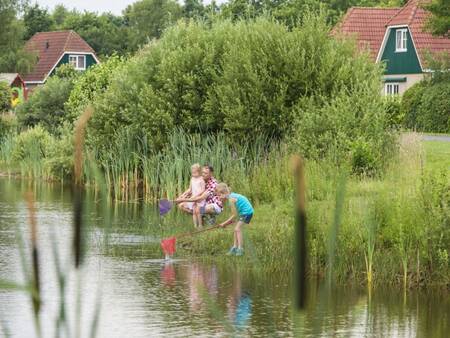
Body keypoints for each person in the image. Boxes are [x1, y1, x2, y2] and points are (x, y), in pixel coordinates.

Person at [215, 183, 254, 256]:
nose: (219, 198)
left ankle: (240, 249)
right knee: (235, 229)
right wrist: (229, 222)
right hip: (242, 212)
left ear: (224, 193)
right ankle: (234, 247)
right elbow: (235, 215)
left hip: (247, 212)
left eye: (219, 195)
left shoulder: (231, 199)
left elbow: (234, 215)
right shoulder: (231, 196)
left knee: (237, 229)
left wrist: (224, 224)